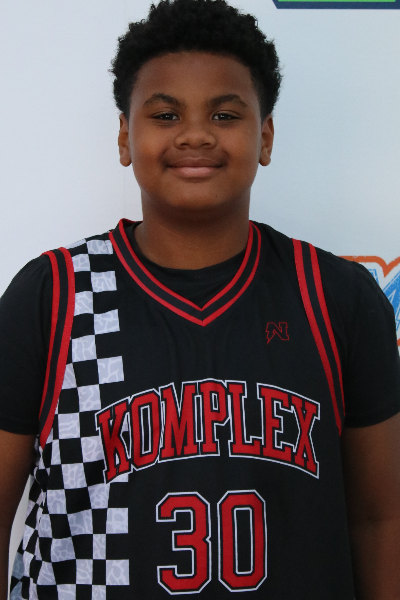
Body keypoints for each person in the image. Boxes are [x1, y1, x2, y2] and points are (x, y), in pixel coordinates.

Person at [1, 0, 400, 598]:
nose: (195, 134)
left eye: (224, 114)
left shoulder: (334, 297)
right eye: (165, 114)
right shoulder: (54, 295)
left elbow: (379, 518)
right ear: (125, 137)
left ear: (264, 137)